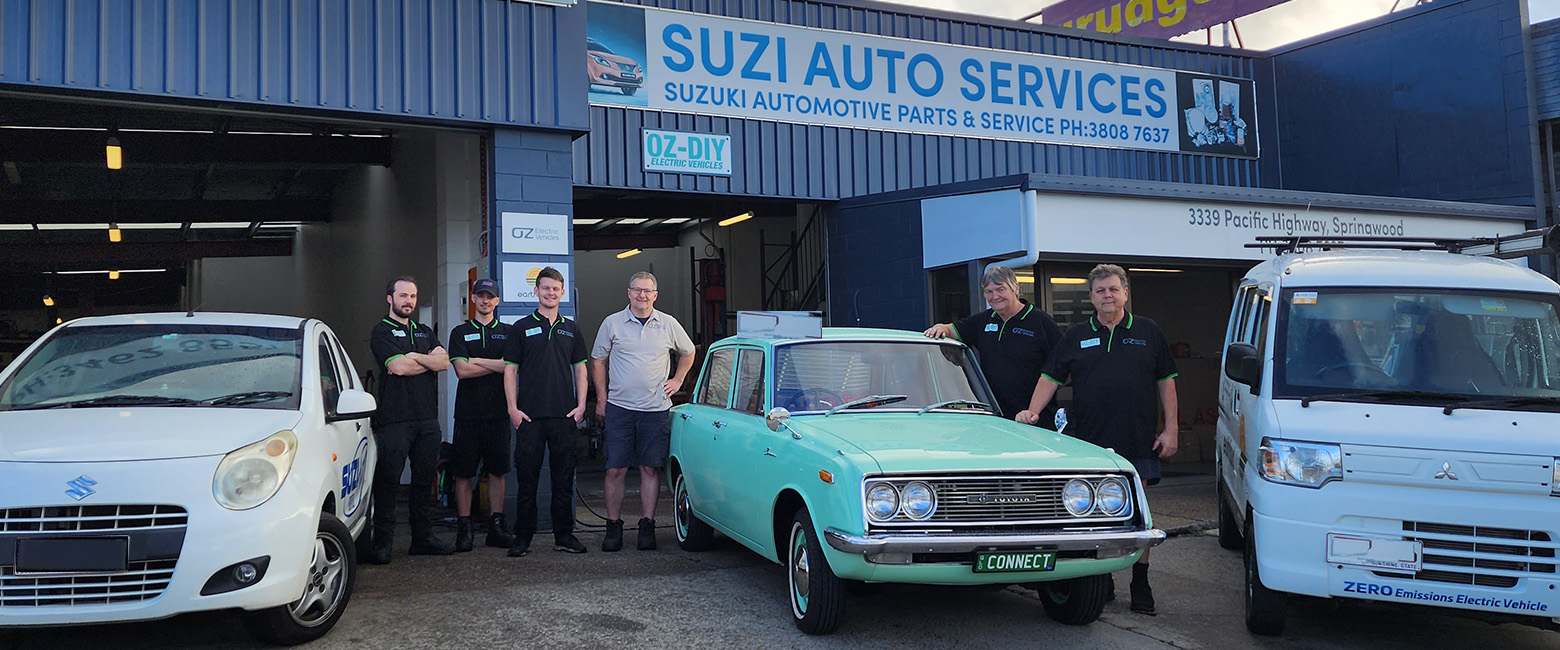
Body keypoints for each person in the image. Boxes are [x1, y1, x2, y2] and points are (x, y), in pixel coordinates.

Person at [1015, 264, 1178, 615]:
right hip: (1089, 443)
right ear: (1091, 297)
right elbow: (1050, 376)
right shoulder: (1074, 336)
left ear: (1125, 293)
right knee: (1091, 515)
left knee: (1138, 515)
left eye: (1113, 289)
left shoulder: (1148, 331)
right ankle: (1100, 577)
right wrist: (1031, 412)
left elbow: (1167, 382)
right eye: (1101, 290)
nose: (1108, 295)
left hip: (1137, 438)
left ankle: (1140, 581)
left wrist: (1171, 430)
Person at [590, 271, 695, 552]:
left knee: (650, 468)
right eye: (637, 290)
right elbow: (598, 360)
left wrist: (678, 380)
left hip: (655, 410)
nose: (642, 295)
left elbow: (688, 352)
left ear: (655, 295)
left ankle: (647, 527)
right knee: (615, 470)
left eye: (647, 291)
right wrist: (601, 398)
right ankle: (613, 528)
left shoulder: (669, 324)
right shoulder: (612, 323)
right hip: (620, 409)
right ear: (628, 293)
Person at [366, 276, 454, 564]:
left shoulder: (425, 331)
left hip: (427, 419)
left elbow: (444, 362)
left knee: (422, 481)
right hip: (395, 420)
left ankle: (422, 538)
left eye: (413, 296)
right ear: (389, 298)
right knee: (388, 482)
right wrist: (422, 361)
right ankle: (383, 544)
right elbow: (399, 367)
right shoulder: (382, 332)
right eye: (403, 295)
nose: (409, 301)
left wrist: (415, 356)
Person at [503, 267, 590, 556]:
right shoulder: (521, 327)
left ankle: (563, 536)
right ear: (536, 291)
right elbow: (510, 370)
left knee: (563, 479)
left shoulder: (571, 329)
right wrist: (512, 409)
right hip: (528, 417)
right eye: (545, 288)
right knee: (527, 479)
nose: (550, 293)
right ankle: (523, 538)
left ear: (562, 293)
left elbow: (581, 370)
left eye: (555, 289)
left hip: (564, 416)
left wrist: (580, 405)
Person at [923, 265, 1063, 424]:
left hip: (1033, 419)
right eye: (988, 292)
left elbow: (1058, 369)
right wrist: (940, 328)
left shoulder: (1040, 322)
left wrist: (1032, 411)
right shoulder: (982, 321)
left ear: (1016, 289)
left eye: (1000, 289)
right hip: (995, 418)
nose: (995, 296)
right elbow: (951, 329)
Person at [446, 278, 516, 552]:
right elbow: (461, 371)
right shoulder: (460, 332)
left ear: (497, 301)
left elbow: (511, 367)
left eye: (491, 297)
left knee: (498, 472)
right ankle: (465, 529)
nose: (485, 301)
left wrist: (476, 360)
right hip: (468, 415)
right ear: (473, 299)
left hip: (498, 413)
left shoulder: (508, 332)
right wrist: (496, 365)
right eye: (481, 296)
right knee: (463, 473)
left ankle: (496, 527)